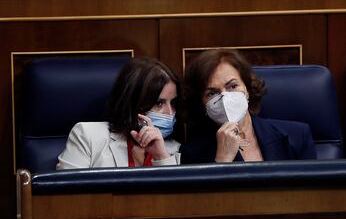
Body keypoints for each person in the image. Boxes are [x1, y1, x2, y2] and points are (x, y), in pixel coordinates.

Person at [180, 49, 316, 163]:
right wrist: (222, 161)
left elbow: (315, 193)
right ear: (201, 103)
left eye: (232, 86)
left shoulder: (297, 136)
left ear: (248, 89)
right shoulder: (192, 153)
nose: (225, 97)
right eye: (212, 93)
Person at [56, 57, 181, 169]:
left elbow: (179, 195)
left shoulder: (174, 149)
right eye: (159, 103)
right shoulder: (87, 136)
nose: (170, 112)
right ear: (134, 103)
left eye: (173, 103)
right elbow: (67, 192)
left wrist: (162, 157)